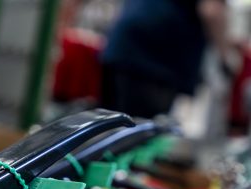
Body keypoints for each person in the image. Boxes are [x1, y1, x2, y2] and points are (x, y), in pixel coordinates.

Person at [99, 0, 232, 118]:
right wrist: (227, 57)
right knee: (136, 131)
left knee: (109, 128)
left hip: (123, 43)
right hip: (154, 55)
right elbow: (211, 10)